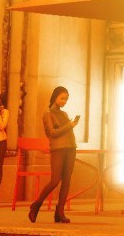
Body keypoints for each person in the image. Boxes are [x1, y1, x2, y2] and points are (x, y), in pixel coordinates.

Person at [29, 86, 80, 224]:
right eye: (62, 98)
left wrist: (71, 124)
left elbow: (64, 130)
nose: (64, 101)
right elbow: (51, 133)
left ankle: (60, 211)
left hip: (71, 147)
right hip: (58, 148)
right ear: (55, 97)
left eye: (66, 99)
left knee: (67, 180)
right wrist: (70, 125)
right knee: (55, 180)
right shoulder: (48, 114)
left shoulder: (63, 114)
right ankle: (37, 204)